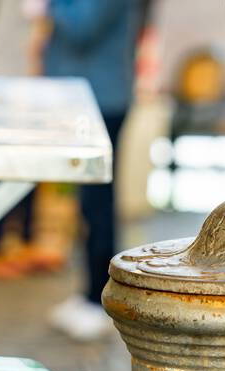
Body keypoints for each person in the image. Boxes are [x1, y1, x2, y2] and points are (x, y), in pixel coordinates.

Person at [42, 0, 143, 341]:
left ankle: (99, 300)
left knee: (98, 202)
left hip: (102, 97)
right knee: (90, 201)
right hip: (92, 94)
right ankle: (91, 293)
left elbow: (82, 27)